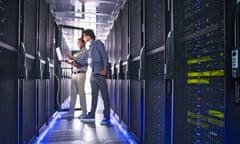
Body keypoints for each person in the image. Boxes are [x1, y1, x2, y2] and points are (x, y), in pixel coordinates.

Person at [81, 29, 111, 125]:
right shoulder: (89, 47)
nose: (83, 38)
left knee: (104, 95)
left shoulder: (98, 43)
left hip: (100, 72)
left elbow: (104, 56)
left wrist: (105, 68)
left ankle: (106, 117)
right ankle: (91, 115)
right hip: (93, 73)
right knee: (94, 95)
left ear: (89, 36)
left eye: (84, 36)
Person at [64, 38, 88, 119]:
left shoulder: (85, 51)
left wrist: (72, 57)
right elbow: (77, 64)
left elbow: (83, 63)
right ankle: (71, 112)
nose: (77, 44)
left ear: (82, 43)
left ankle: (84, 112)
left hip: (81, 74)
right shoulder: (78, 52)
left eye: (78, 43)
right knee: (73, 93)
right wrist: (68, 62)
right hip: (74, 74)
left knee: (81, 93)